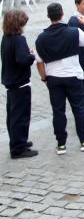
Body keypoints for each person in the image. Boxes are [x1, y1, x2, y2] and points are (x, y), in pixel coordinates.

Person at [35, 3, 84, 154]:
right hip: (73, 75)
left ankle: (61, 144)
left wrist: (44, 78)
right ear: (62, 14)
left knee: (58, 111)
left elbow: (39, 62)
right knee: (79, 108)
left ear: (49, 16)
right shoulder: (73, 32)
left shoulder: (41, 38)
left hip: (54, 77)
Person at [2, 10, 37, 158]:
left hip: (11, 81)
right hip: (19, 82)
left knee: (13, 116)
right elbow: (23, 60)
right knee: (20, 117)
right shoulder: (19, 39)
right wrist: (32, 56)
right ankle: (18, 148)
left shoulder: (6, 38)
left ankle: (18, 140)